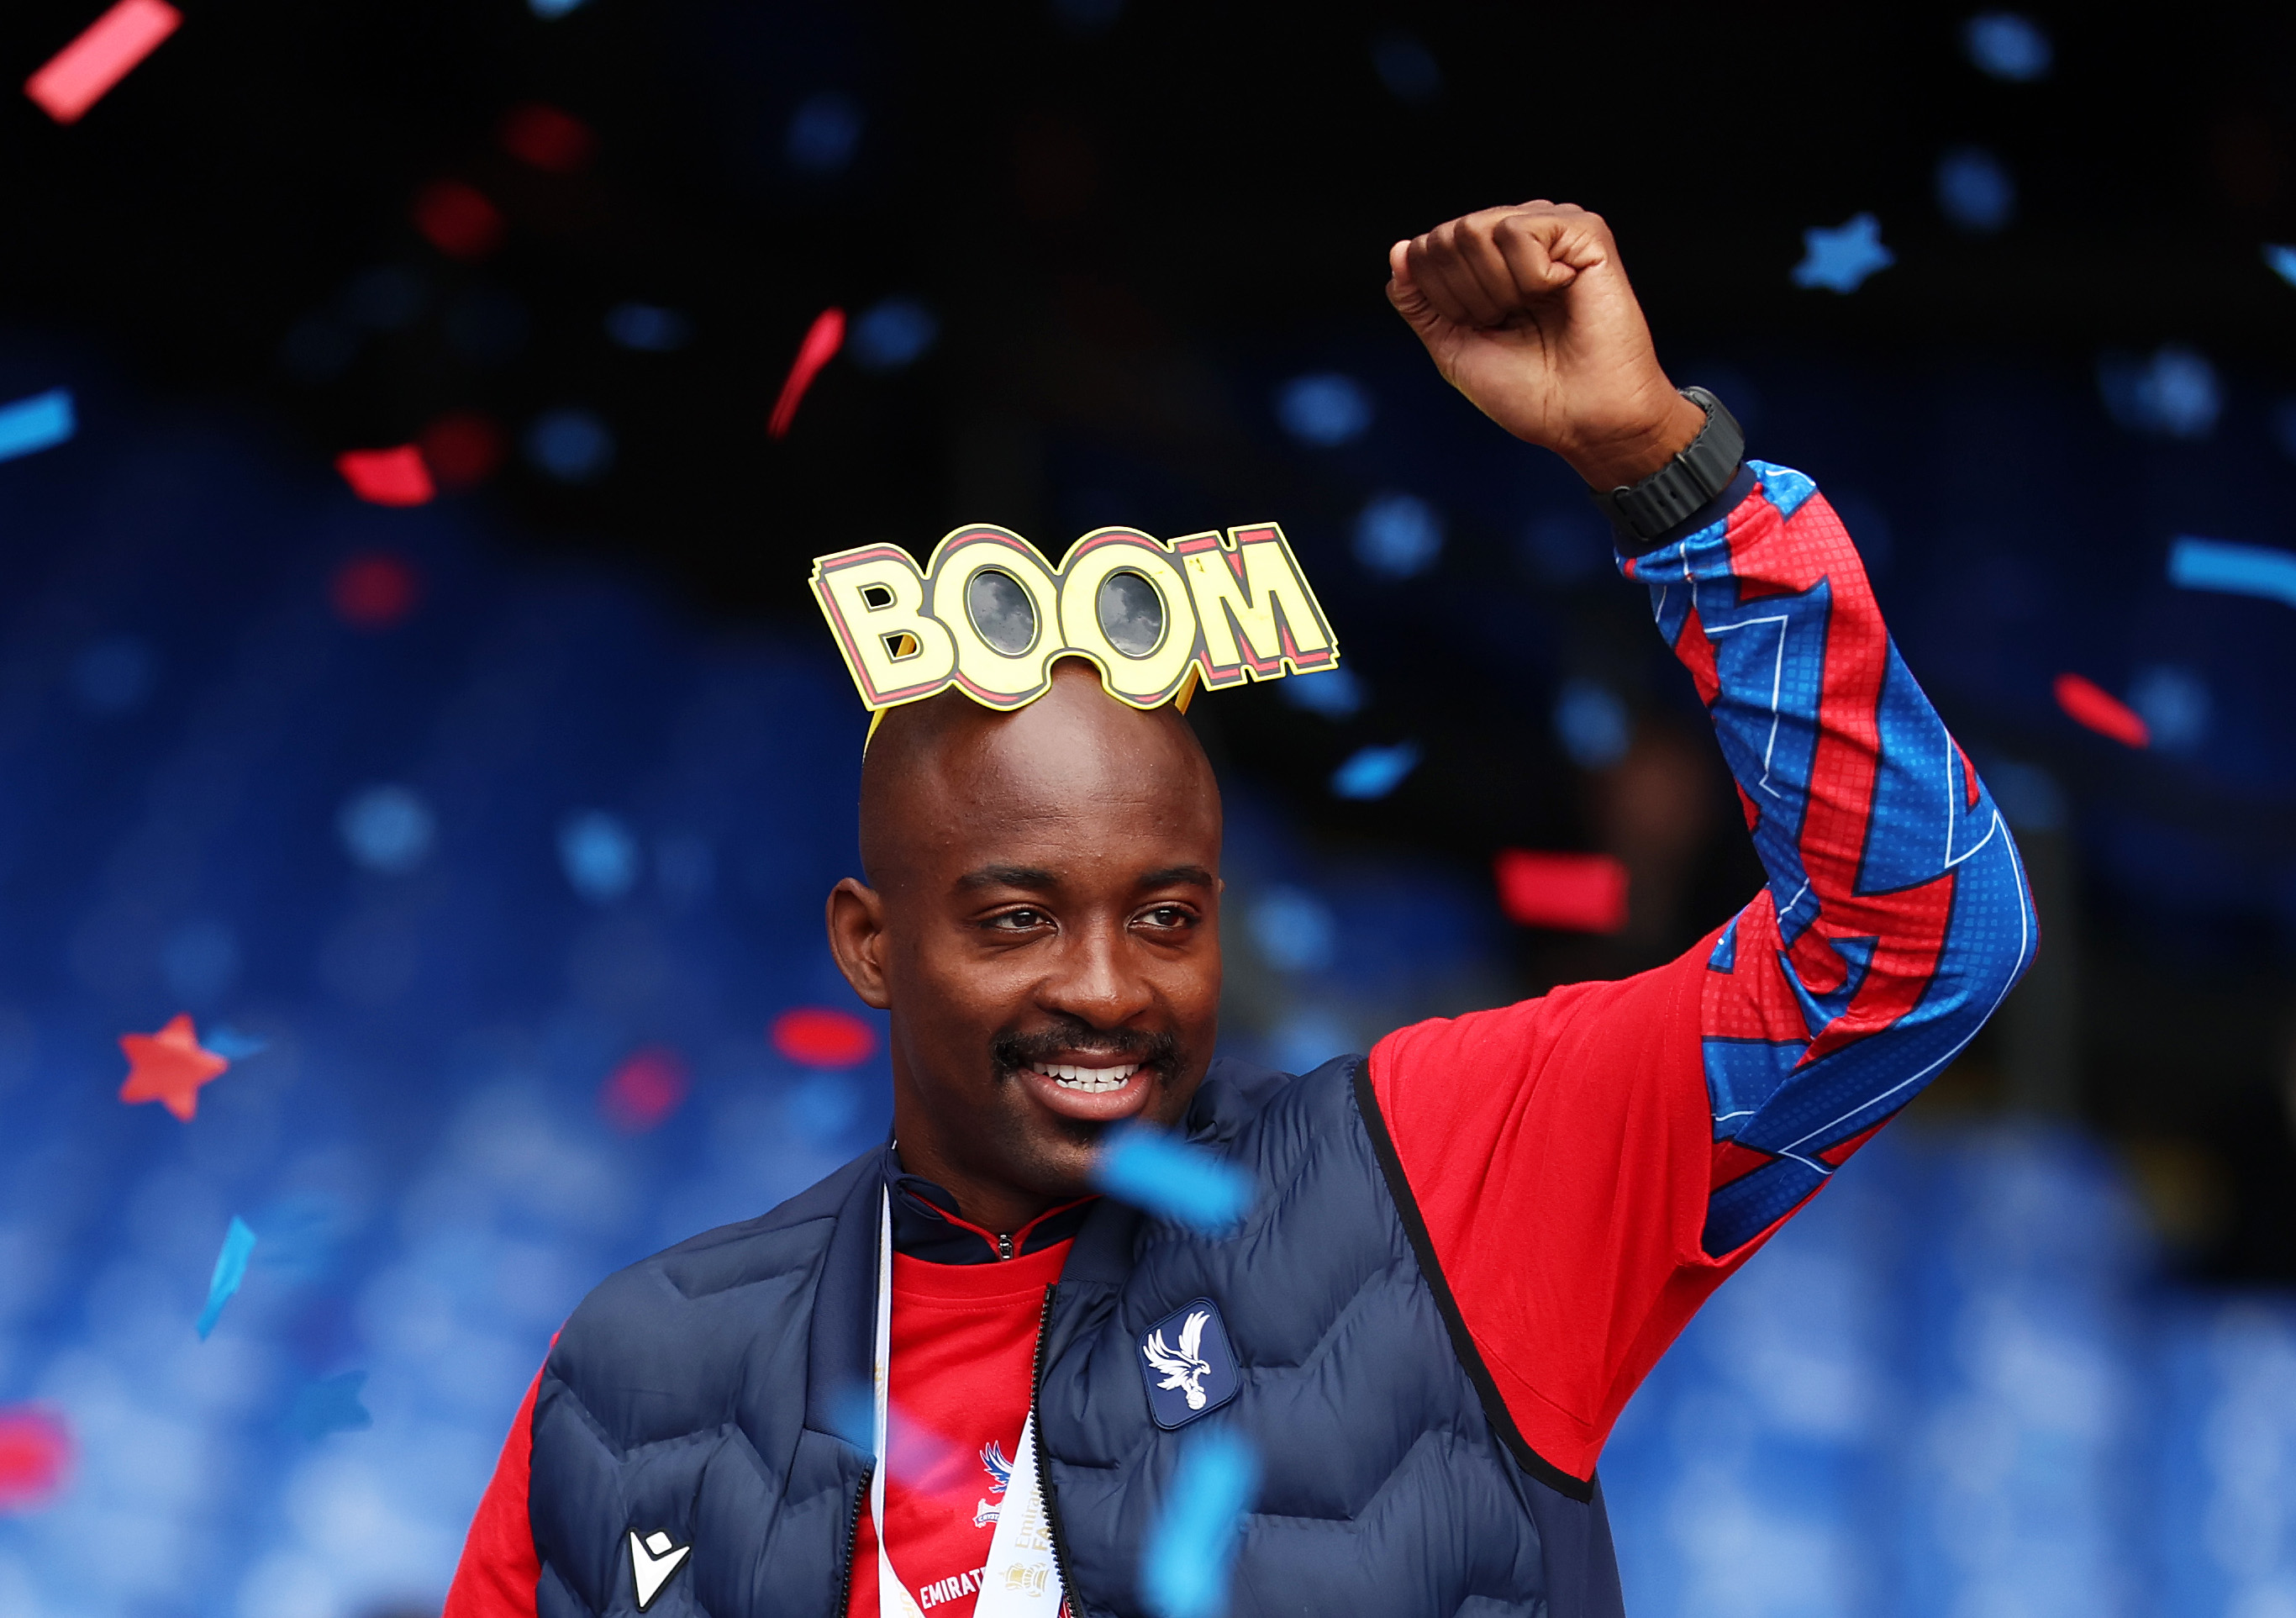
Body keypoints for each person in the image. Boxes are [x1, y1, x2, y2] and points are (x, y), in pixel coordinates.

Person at [444, 201, 2034, 1618]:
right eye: (1012, 918)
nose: (1106, 987)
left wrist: (1668, 481)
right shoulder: (637, 1380)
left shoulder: (1438, 1180)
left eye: (1165, 915)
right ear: (869, 939)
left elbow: (1915, 942)